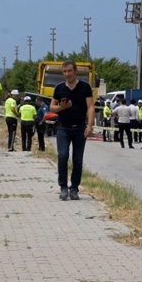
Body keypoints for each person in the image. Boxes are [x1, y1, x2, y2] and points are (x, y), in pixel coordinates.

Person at [50, 61, 95, 201]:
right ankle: (63, 187)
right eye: (64, 72)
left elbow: (91, 107)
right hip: (63, 128)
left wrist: (90, 126)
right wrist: (62, 108)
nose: (67, 74)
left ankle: (74, 188)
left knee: (77, 160)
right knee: (63, 156)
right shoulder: (59, 88)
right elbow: (52, 107)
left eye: (69, 71)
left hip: (80, 128)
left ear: (75, 72)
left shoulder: (85, 87)